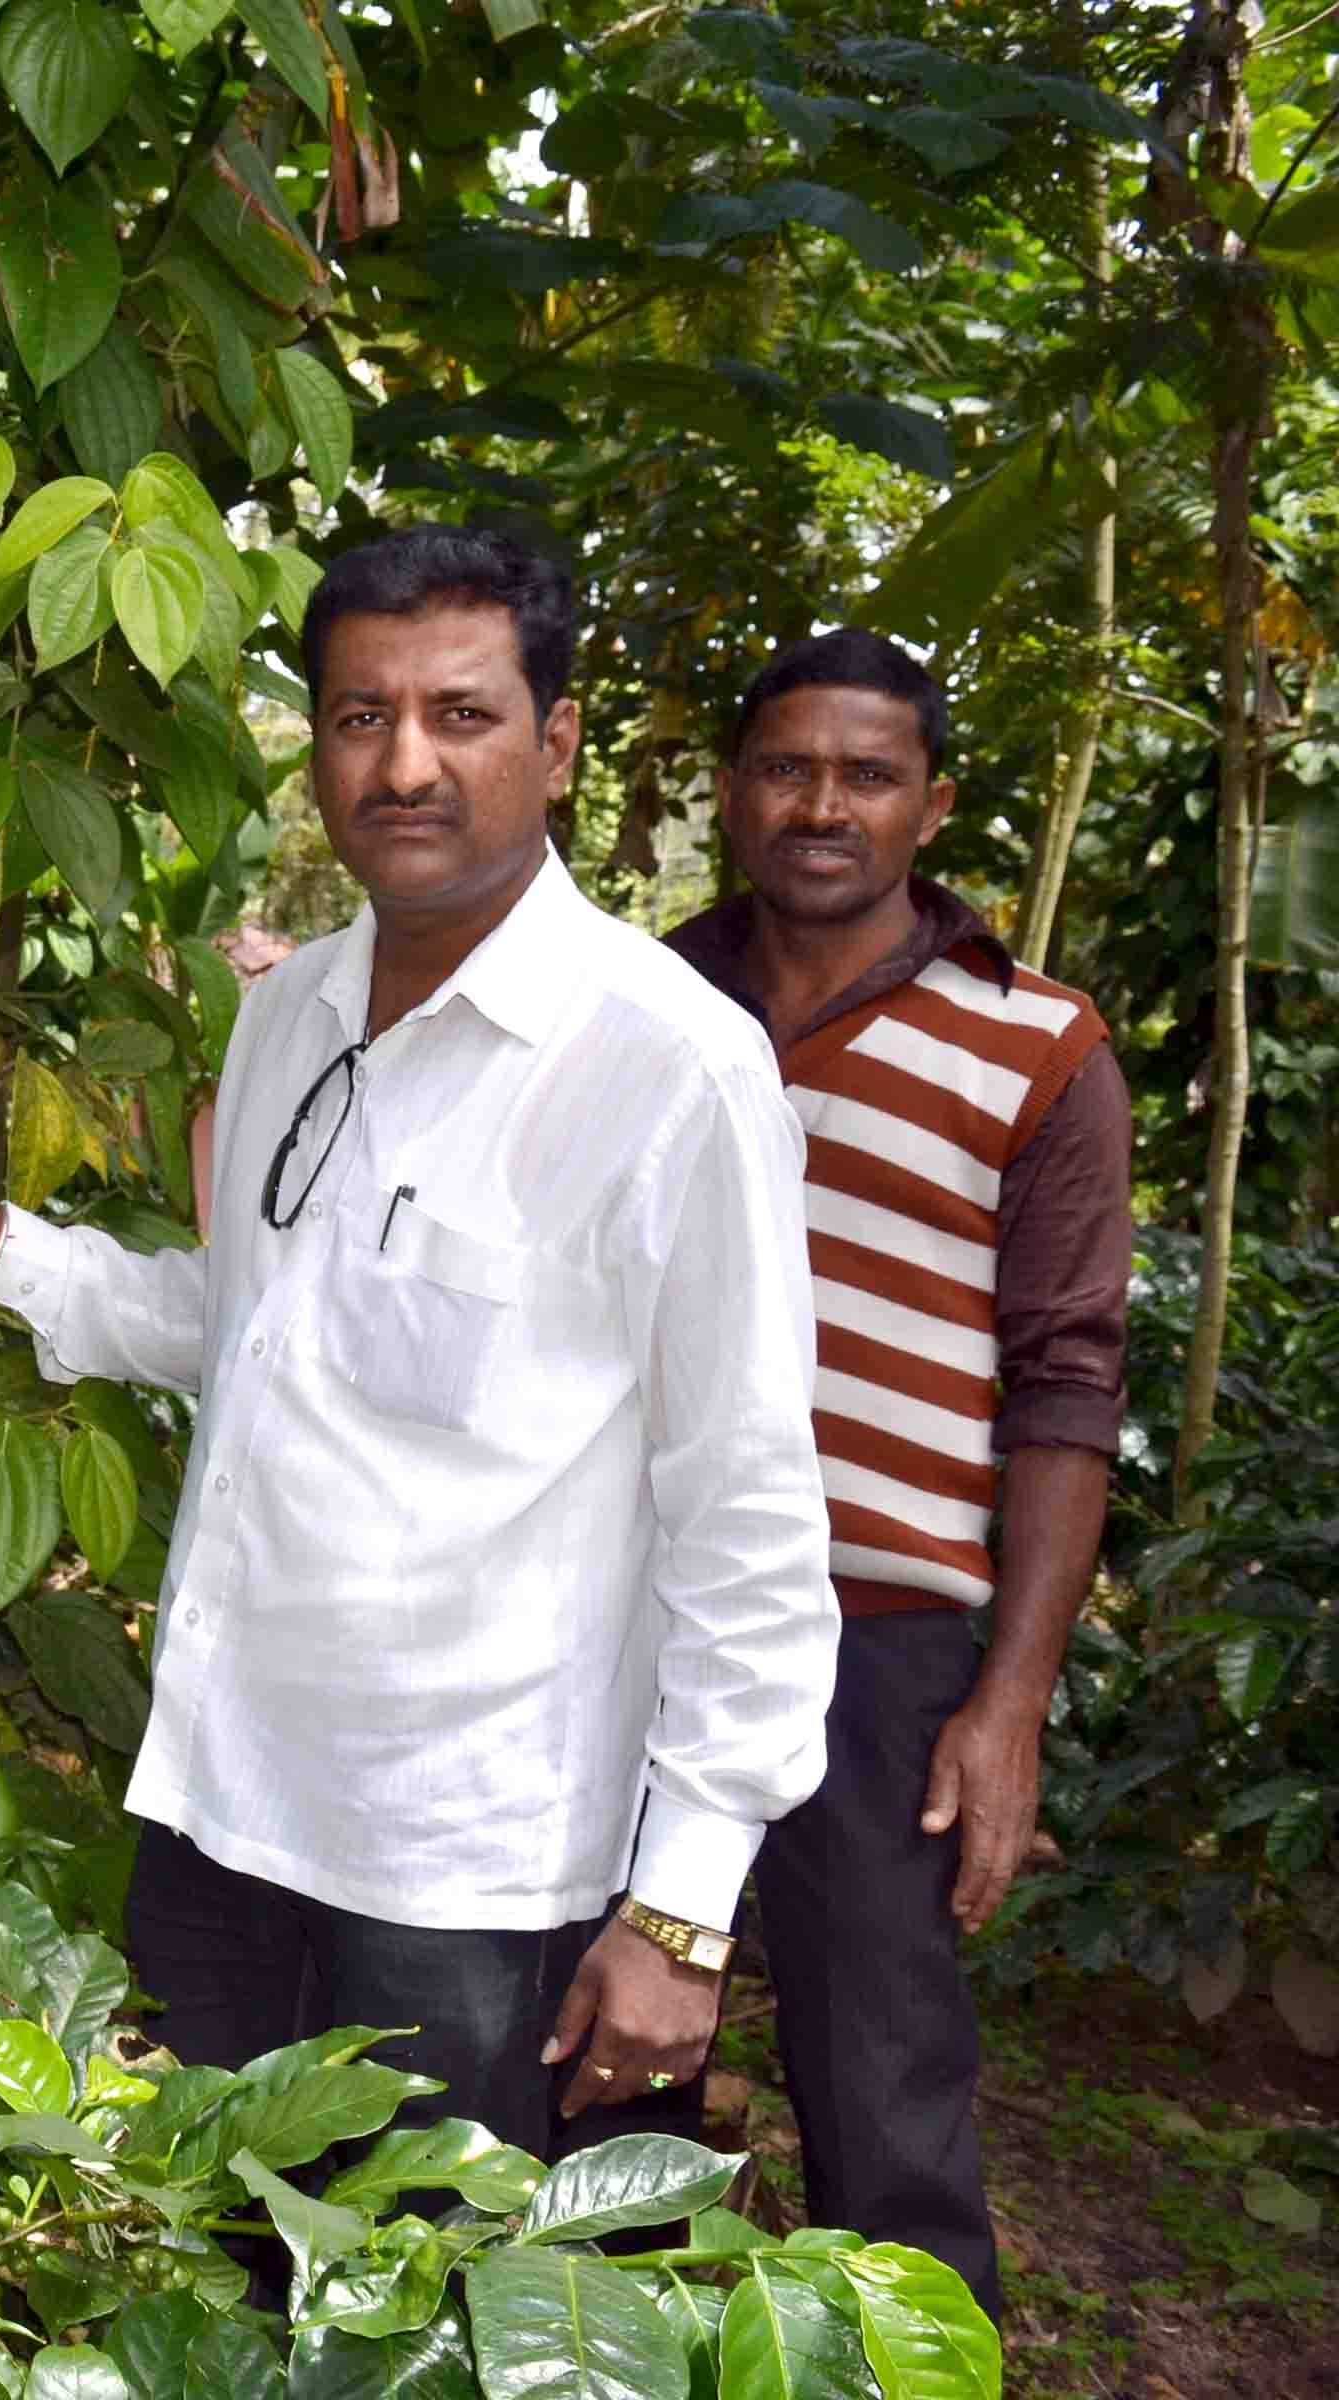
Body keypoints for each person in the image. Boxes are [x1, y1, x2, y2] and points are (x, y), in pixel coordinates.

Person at [0, 525, 838, 2155]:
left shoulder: (671, 1072)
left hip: (464, 1873)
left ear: (556, 743)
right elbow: (274, 1337)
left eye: (463, 714)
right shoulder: (291, 1012)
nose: (405, 763)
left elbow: (751, 1508)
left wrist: (685, 1910)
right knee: (213, 2281)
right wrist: (2, 1252)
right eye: (362, 718)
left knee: (418, 2323)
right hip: (224, 1807)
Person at [606, 629, 1128, 2318]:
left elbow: (1067, 1386)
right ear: (733, 788)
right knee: (598, 2063)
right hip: (621, 1609)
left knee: (884, 2081)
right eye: (785, 767)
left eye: (868, 773)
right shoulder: (627, 1013)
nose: (821, 804)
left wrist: (1010, 1706)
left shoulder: (1035, 1045)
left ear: (932, 803)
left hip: (880, 1646)